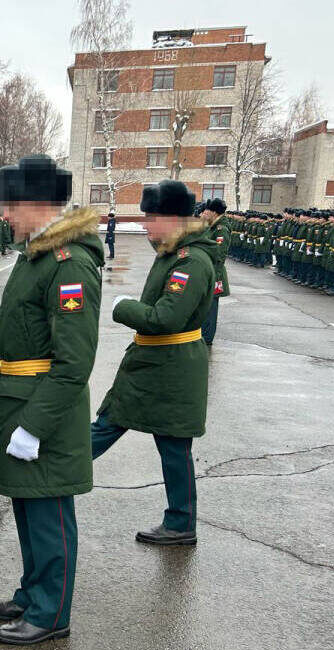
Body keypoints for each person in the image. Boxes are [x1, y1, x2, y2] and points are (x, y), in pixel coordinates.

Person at [0, 155, 102, 646]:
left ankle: (51, 614)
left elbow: (73, 362)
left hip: (44, 414)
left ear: (36, 204)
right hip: (21, 401)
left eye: (10, 206)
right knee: (29, 511)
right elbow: (19, 340)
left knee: (49, 516)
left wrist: (34, 425)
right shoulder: (35, 256)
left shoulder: (69, 263)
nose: (3, 216)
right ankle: (34, 594)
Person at [91, 179, 216, 546]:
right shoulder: (174, 253)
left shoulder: (189, 261)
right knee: (112, 423)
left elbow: (166, 319)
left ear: (175, 218)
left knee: (171, 446)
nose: (145, 224)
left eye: (152, 216)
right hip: (157, 364)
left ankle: (180, 523)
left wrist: (122, 307)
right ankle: (180, 521)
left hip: (172, 368)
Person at [199, 198, 230, 345]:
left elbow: (219, 256)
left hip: (214, 274)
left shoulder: (221, 229)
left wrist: (214, 278)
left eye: (207, 211)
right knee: (206, 306)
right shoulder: (213, 226)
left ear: (214, 212)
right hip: (208, 272)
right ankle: (204, 334)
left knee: (211, 308)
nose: (205, 213)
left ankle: (207, 337)